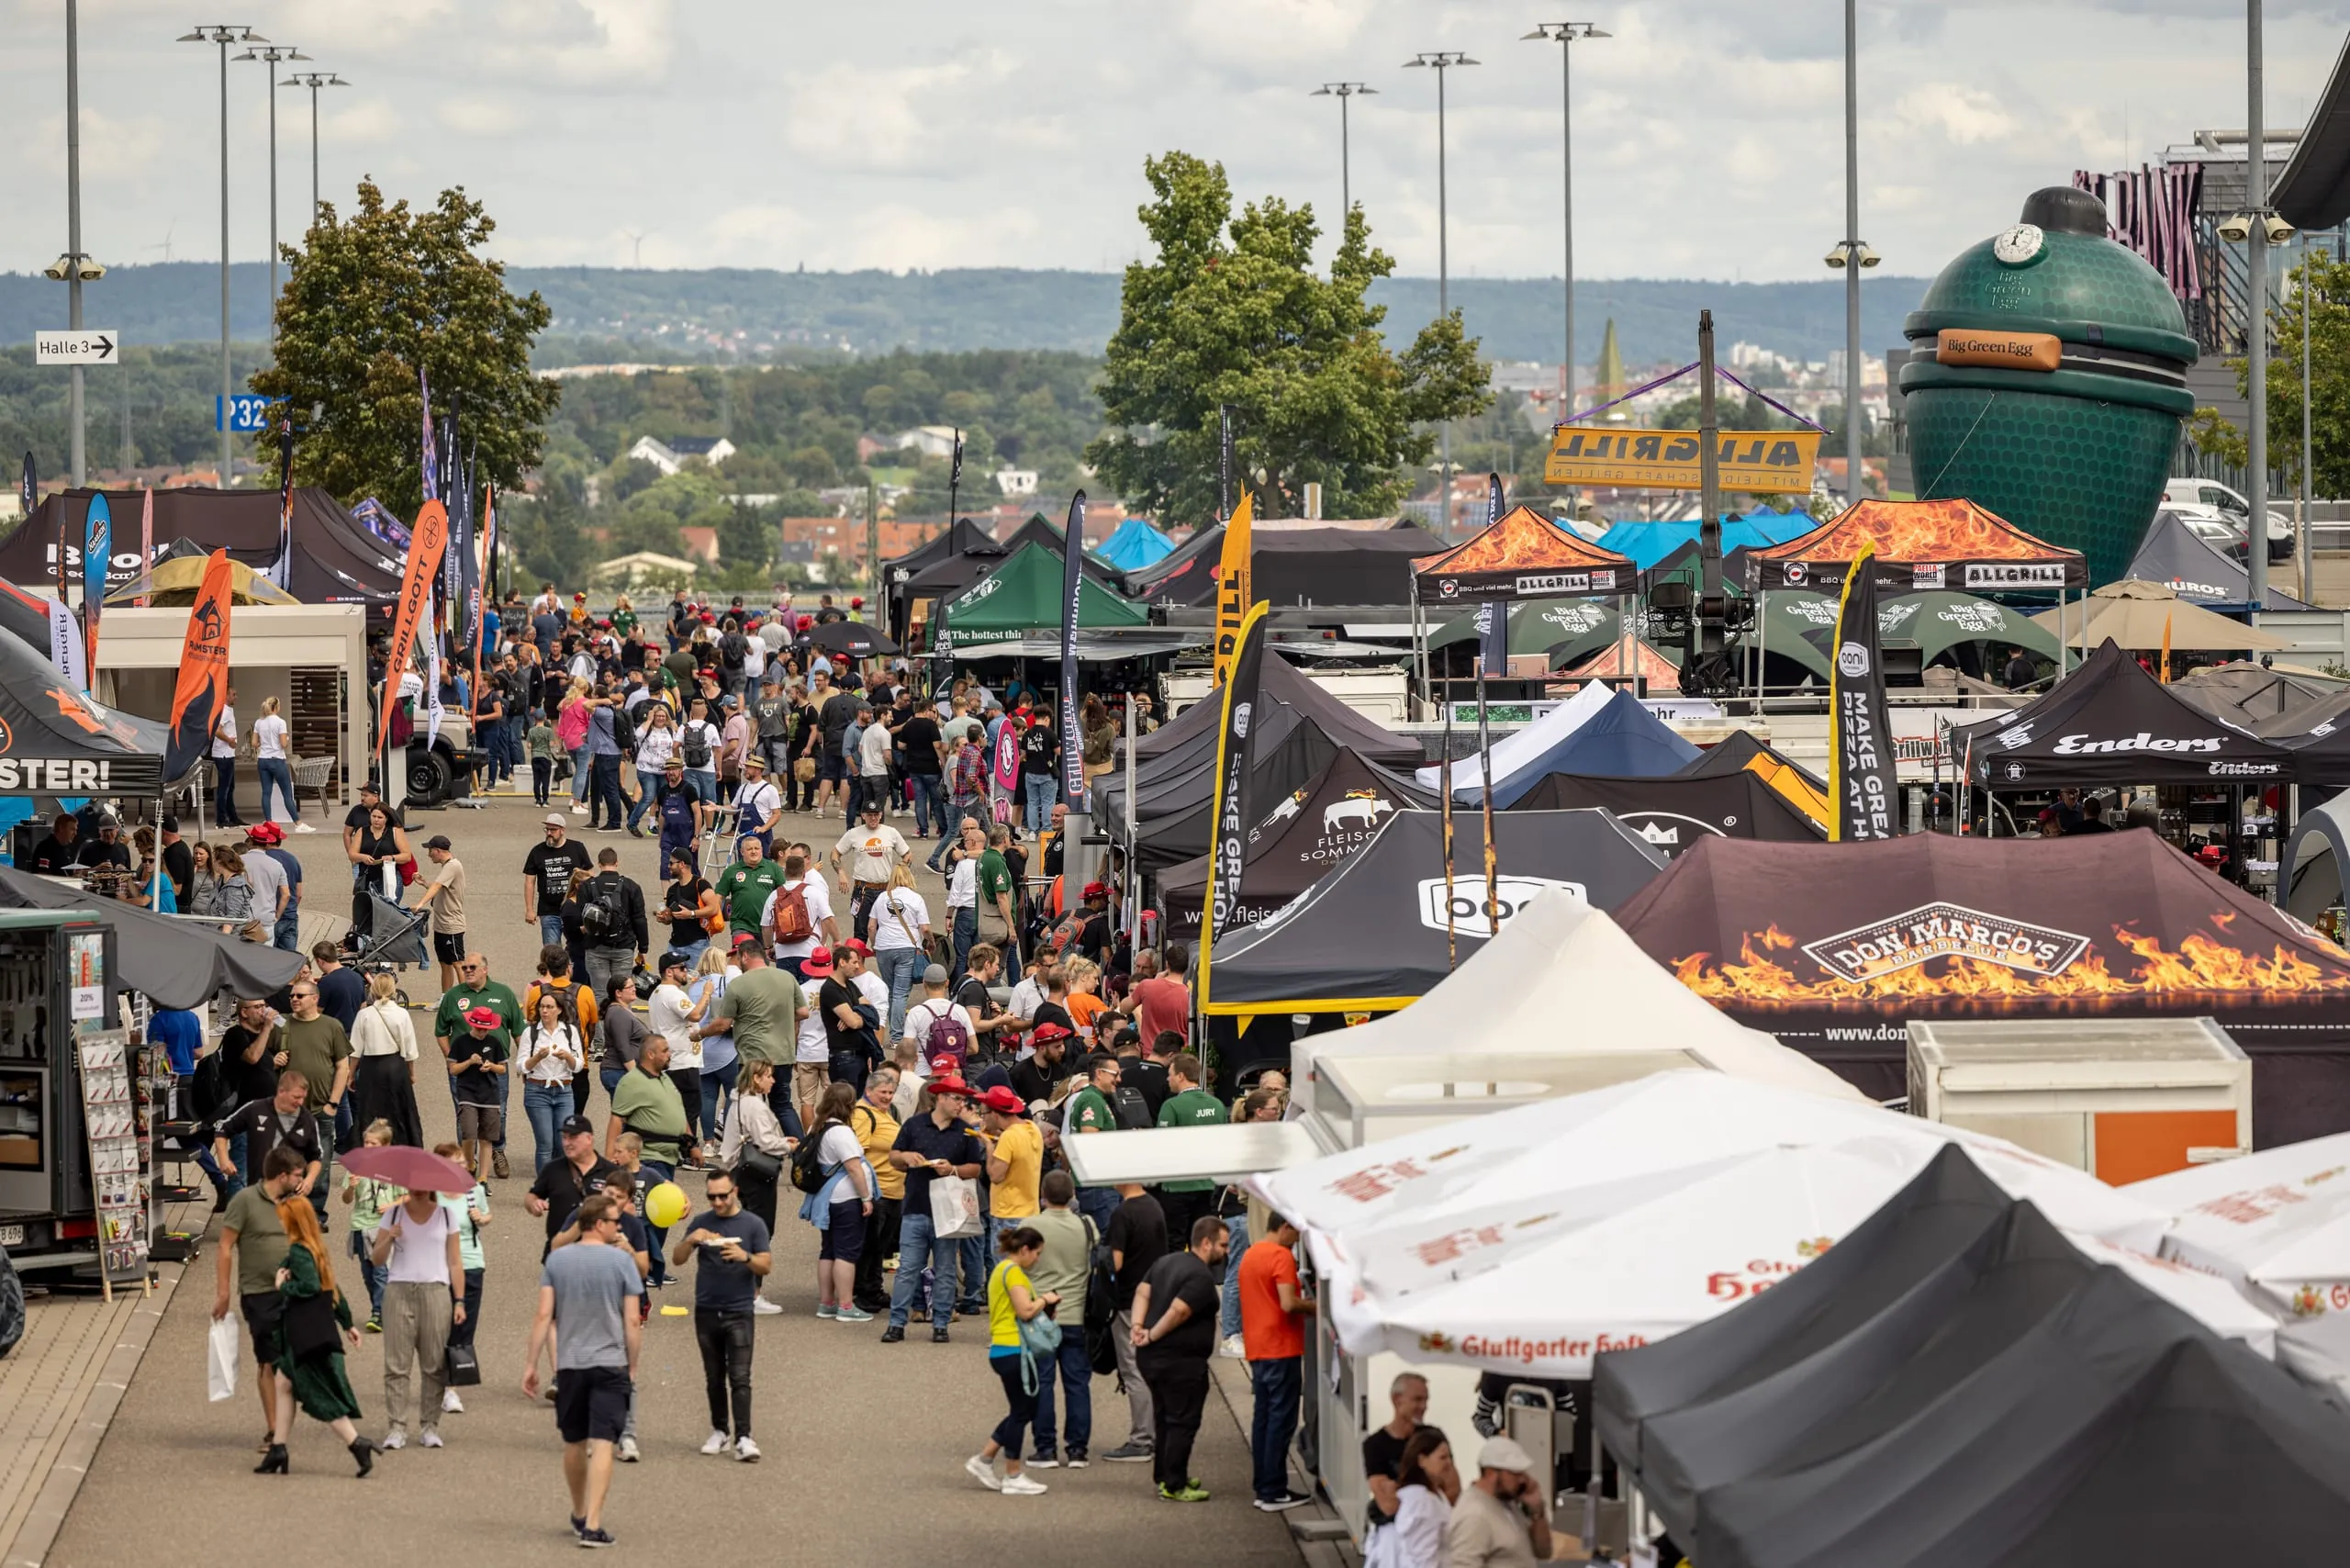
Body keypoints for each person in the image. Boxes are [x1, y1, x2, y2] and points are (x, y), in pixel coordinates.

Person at [523, 1193, 643, 1549]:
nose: (619, 1226)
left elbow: (544, 1315)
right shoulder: (622, 1262)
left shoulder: (558, 1260)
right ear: (599, 1224)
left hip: (571, 1365)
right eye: (613, 1221)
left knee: (574, 1441)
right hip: (610, 1363)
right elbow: (633, 1320)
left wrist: (531, 1365)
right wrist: (633, 1363)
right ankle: (593, 1522)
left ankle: (578, 1513)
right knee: (604, 1440)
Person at [253, 1192, 376, 1478]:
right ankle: (279, 1449)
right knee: (284, 1383)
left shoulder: (298, 1252)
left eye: (283, 1219)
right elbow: (331, 1287)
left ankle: (357, 1443)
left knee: (318, 1394)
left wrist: (282, 1286)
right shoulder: (314, 1247)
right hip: (315, 1332)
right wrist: (347, 1323)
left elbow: (309, 1287)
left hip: (304, 1336)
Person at [669, 1167, 773, 1462]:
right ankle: (720, 1431)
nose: (717, 1202)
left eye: (722, 1196)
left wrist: (745, 1257)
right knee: (713, 1376)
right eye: (711, 1197)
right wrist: (691, 1240)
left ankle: (744, 1437)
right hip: (706, 1310)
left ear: (735, 1192)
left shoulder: (752, 1225)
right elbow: (676, 1260)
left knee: (740, 1376)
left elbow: (766, 1265)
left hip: (739, 1311)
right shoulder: (702, 1222)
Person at [1131, 1215, 1231, 1502]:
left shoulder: (1166, 1261)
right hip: (1180, 1363)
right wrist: (1153, 1334)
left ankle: (1165, 1474)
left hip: (1151, 1360)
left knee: (1164, 1416)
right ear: (1206, 1242)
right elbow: (1179, 1312)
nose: (1226, 1251)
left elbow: (1142, 1291)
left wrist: (1139, 1327)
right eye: (1222, 1245)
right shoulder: (1200, 1277)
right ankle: (1175, 1483)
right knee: (1182, 1421)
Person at [882, 1075, 986, 1343]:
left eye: (963, 1099)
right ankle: (896, 1323)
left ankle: (941, 1324)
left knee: (946, 1269)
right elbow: (894, 1156)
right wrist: (905, 1157)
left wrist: (952, 1169)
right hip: (916, 1207)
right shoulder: (915, 1125)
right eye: (957, 1098)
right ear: (940, 1098)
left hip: (948, 1213)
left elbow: (975, 1168)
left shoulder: (964, 1131)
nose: (961, 1104)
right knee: (907, 1269)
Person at [370, 1182, 464, 1450]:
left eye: (424, 1184)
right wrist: (390, 1237)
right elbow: (377, 1258)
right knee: (396, 1364)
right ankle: (397, 1427)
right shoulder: (394, 1214)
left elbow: (455, 1261)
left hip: (435, 1290)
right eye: (414, 1185)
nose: (419, 1189)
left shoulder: (446, 1215)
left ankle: (429, 1426)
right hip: (399, 1289)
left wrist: (459, 1300)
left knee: (434, 1363)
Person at [964, 1225, 1057, 1496]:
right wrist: (1045, 1299)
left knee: (1025, 1409)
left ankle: (985, 1458)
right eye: (1037, 1253)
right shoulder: (1013, 1272)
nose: (1037, 1259)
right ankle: (1013, 1473)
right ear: (1025, 1249)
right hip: (1012, 1346)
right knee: (1022, 1411)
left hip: (1006, 1347)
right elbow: (1025, 1310)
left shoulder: (1001, 1270)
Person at [1238, 1213, 1314, 1510]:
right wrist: (1316, 1306)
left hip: (1258, 1348)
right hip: (1281, 1347)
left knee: (1264, 1419)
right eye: (1296, 1234)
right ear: (1284, 1227)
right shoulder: (1281, 1257)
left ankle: (1264, 1485)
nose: (1297, 1241)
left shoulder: (1250, 1254)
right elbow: (1288, 1303)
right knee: (1282, 1421)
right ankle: (1274, 1490)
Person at [1027, 1169, 1096, 1470]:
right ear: (1072, 1196)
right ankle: (1078, 1449)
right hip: (1076, 1313)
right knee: (1077, 1383)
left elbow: (1020, 1268)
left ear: (1043, 1194)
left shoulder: (1032, 1225)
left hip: (1041, 1314)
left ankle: (1046, 1449)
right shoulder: (1087, 1224)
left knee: (1042, 1382)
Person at [607, 1034, 690, 1279]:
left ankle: (649, 1266)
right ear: (650, 1054)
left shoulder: (664, 1078)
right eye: (665, 1051)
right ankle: (647, 1268)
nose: (669, 1054)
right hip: (648, 1157)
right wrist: (610, 1158)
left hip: (669, 1156)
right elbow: (616, 1118)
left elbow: (678, 1111)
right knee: (652, 1216)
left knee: (662, 1215)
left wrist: (691, 1144)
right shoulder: (631, 1082)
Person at [1101, 1178, 1169, 1465]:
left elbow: (1114, 1263)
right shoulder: (1154, 1207)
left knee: (1132, 1368)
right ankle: (1156, 1433)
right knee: (1149, 1366)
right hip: (1155, 1295)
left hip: (1129, 1299)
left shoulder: (1123, 1213)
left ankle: (1141, 1439)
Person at [800, 1081, 876, 1323]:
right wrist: (866, 1197)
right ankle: (845, 1304)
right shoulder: (841, 1132)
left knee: (829, 1250)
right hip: (846, 1198)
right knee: (846, 1252)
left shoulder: (817, 1126)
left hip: (827, 1197)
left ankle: (827, 1302)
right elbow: (854, 1168)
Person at [718, 1060, 791, 1286]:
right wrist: (789, 1146)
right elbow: (765, 1141)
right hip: (756, 1174)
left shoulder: (740, 1101)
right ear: (756, 1079)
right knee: (761, 1231)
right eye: (769, 1076)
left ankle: (745, 1285)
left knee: (749, 1227)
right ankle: (752, 1290)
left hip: (739, 1170)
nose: (773, 1080)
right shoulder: (754, 1106)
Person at [433, 1140, 492, 1417]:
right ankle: (438, 1380)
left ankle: (451, 1388)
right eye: (452, 1163)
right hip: (438, 1267)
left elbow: (487, 1216)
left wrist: (482, 1217)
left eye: (461, 1163)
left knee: (463, 1328)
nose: (459, 1167)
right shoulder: (431, 1195)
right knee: (439, 1327)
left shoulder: (474, 1191)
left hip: (471, 1264)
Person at [1446, 1436, 1553, 1568]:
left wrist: (1537, 1511)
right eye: (1515, 1474)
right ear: (1491, 1473)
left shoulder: (1508, 1503)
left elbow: (1543, 1552)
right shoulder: (1475, 1514)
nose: (1522, 1480)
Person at [1154, 1053, 1225, 1250]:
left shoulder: (1172, 1106)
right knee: (1204, 1241)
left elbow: (1162, 1144)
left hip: (1178, 1185)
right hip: (1209, 1184)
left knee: (1174, 1242)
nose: (1168, 1079)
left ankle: (1177, 1279)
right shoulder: (1216, 1105)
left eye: (1170, 1074)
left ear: (1181, 1076)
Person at [518, 989, 589, 1176]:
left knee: (562, 1141)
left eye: (549, 1007)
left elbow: (579, 1065)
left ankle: (559, 1184)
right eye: (542, 1007)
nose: (545, 1011)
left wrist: (567, 1056)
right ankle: (544, 1187)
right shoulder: (530, 1033)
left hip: (564, 1090)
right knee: (545, 1143)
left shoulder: (569, 1031)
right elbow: (521, 1067)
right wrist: (537, 1058)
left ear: (559, 1010)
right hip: (537, 1090)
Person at [1364, 1428, 1459, 1568]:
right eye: (1443, 1457)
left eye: (1450, 1457)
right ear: (1422, 1460)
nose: (1449, 1463)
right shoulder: (1421, 1502)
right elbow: (1423, 1560)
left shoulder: (1432, 1495)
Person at [528, 1116, 621, 1258]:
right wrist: (533, 1204)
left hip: (600, 1254)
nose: (567, 1143)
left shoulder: (611, 1172)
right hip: (560, 1251)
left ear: (589, 1139)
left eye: (573, 1138)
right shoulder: (553, 1169)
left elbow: (627, 1206)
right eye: (564, 1138)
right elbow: (532, 1195)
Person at [349, 973, 423, 1148]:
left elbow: (356, 1049)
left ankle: (367, 1147)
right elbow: (410, 1048)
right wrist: (411, 1072)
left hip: (371, 1068)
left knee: (368, 1111)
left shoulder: (364, 1014)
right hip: (395, 1066)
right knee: (400, 1111)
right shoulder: (401, 1014)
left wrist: (350, 1074)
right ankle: (404, 1147)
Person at [865, 862, 931, 1039]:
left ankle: (884, 1032)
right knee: (901, 992)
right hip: (907, 947)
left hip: (884, 947)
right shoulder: (916, 898)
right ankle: (896, 1037)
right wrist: (930, 941)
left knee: (891, 990)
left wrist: (874, 944)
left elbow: (871, 926)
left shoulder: (881, 898)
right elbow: (924, 928)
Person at [649, 950, 706, 1158]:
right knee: (690, 1109)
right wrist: (707, 993)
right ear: (669, 972)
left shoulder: (658, 993)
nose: (686, 972)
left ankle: (676, 1152)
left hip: (673, 1060)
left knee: (677, 1109)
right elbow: (695, 1014)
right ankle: (687, 1152)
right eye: (682, 968)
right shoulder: (673, 994)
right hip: (682, 1062)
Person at [832, 799, 910, 940]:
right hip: (863, 891)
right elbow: (835, 853)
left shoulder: (891, 832)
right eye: (869, 815)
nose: (873, 818)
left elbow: (907, 855)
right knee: (860, 934)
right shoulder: (854, 834)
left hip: (886, 891)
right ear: (863, 816)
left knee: (886, 934)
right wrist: (841, 872)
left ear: (880, 815)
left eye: (876, 814)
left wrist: (901, 871)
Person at [579, 846, 650, 1001]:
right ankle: (621, 1024)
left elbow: (581, 917)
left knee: (600, 993)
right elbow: (639, 919)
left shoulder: (587, 886)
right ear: (617, 862)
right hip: (623, 946)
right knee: (623, 995)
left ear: (599, 864)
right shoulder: (631, 886)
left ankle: (601, 1025)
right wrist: (643, 948)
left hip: (595, 946)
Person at [1365, 1372, 1433, 1526]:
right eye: (1417, 1399)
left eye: (1426, 1400)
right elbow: (1388, 1505)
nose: (1424, 1406)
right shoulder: (1375, 1444)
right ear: (1397, 1400)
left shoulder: (1433, 1438)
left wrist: (1399, 1489)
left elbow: (1450, 1490)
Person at [761, 847, 835, 980]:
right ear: (803, 873)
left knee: (788, 996)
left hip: (783, 954)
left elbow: (766, 926)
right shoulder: (813, 892)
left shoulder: (774, 895)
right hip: (809, 951)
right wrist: (837, 940)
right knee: (807, 994)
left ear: (785, 873)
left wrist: (768, 947)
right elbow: (828, 919)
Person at [715, 834, 786, 944]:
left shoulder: (773, 869)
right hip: (741, 925)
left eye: (756, 848)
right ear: (742, 851)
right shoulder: (731, 871)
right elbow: (719, 896)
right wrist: (713, 918)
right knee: (744, 958)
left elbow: (785, 894)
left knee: (762, 960)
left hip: (767, 926)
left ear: (762, 850)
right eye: (749, 849)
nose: (754, 852)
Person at [211, 685, 243, 826]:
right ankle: (221, 819)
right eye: (233, 694)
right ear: (226, 695)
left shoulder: (229, 711)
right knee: (224, 789)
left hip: (227, 754)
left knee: (230, 788)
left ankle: (233, 817)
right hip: (223, 754)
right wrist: (229, 740)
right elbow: (217, 731)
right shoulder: (224, 711)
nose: (236, 697)